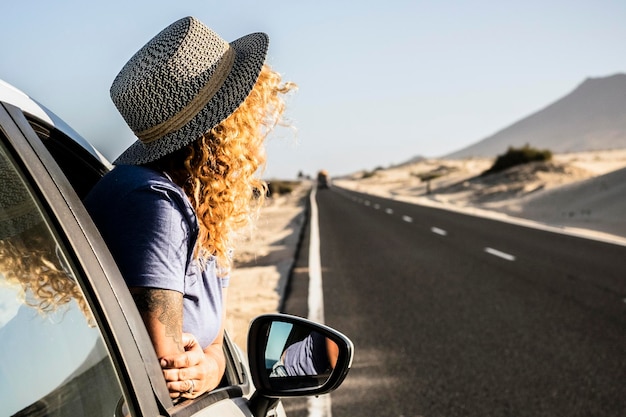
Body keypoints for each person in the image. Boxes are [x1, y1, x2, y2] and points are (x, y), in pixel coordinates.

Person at [85, 16, 295, 399]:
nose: (258, 139)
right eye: (251, 116)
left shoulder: (199, 208)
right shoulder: (155, 204)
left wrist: (211, 367)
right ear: (230, 126)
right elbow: (170, 375)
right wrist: (204, 370)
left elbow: (214, 346)